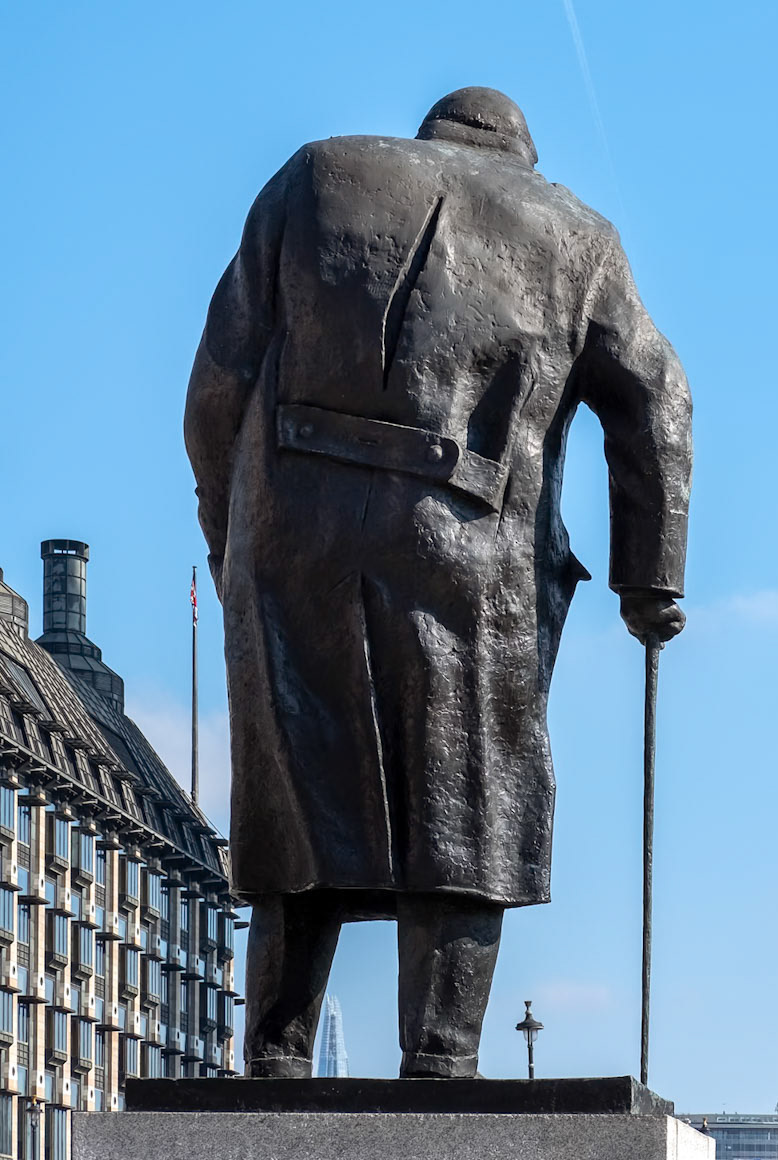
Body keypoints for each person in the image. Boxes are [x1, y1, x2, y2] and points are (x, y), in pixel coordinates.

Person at [185, 87, 692, 1077]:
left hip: (291, 530)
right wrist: (650, 579)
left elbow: (218, 378)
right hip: (471, 544)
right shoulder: (573, 230)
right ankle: (442, 1058)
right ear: (524, 157)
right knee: (473, 789)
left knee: (299, 785)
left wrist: (228, 529)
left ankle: (277, 1055)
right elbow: (656, 397)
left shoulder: (314, 173)